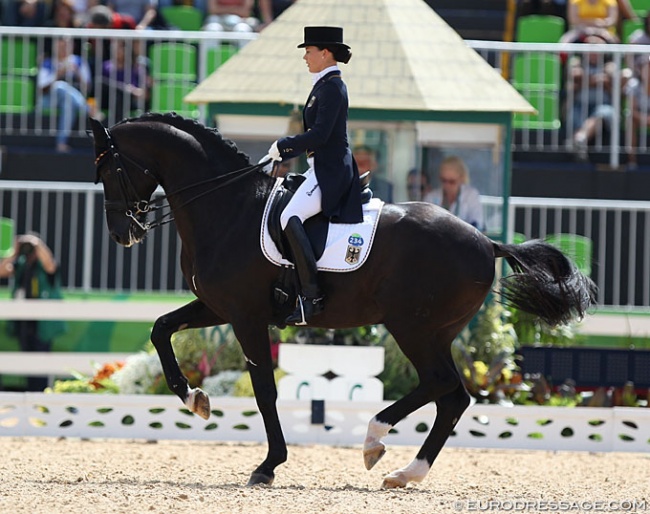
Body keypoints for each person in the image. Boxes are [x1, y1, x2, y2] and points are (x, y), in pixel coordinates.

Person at [263, 26, 361, 325]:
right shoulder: (323, 84)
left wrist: (285, 144)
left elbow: (319, 135)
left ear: (325, 52)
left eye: (308, 51)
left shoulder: (332, 87)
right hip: (319, 167)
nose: (305, 57)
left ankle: (311, 296)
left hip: (331, 170)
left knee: (288, 217)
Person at [0, 233, 64, 392]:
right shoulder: (21, 264)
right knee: (26, 361)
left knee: (40, 362)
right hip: (23, 322)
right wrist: (14, 251)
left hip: (42, 324)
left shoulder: (44, 267)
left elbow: (49, 263)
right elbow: (2, 271)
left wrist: (36, 243)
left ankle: (40, 394)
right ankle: (31, 393)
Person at [37, 36, 92, 153]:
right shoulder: (48, 62)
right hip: (49, 101)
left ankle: (61, 143)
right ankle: (87, 108)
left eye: (67, 45)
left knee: (68, 102)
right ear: (55, 46)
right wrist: (58, 73)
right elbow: (41, 88)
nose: (64, 49)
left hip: (70, 102)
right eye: (61, 46)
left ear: (73, 46)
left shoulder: (79, 62)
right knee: (60, 86)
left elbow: (88, 88)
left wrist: (77, 72)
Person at [423, 156, 484, 230]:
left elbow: (477, 224)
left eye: (452, 181)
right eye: (443, 180)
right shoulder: (431, 197)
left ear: (461, 179)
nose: (447, 185)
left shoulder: (470, 195)